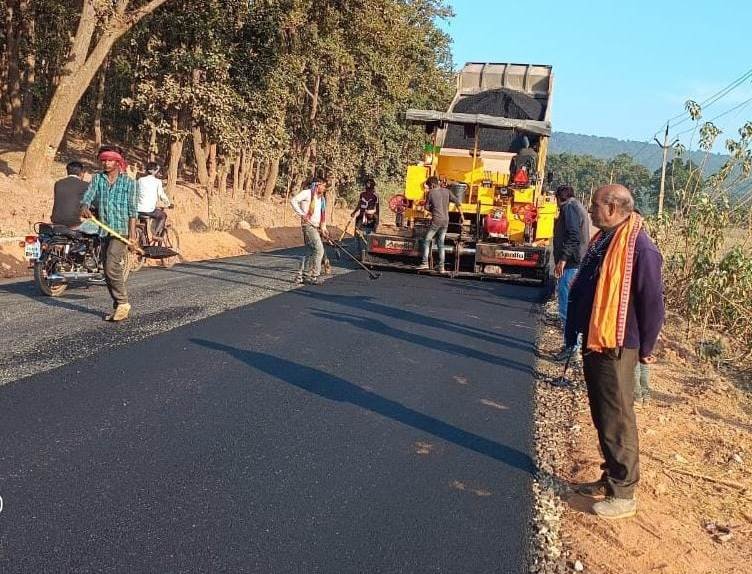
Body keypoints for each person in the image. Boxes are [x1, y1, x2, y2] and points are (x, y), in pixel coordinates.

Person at [566, 184, 664, 519]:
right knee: (603, 414)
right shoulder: (606, 239)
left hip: (618, 345)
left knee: (618, 417)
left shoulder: (641, 248)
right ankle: (610, 477)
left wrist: (646, 349)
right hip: (597, 340)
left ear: (612, 207)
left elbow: (653, 304)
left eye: (594, 205)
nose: (590, 211)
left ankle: (624, 494)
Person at [80, 145, 139, 322]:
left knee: (111, 264)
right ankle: (118, 306)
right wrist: (85, 207)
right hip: (104, 229)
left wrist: (132, 235)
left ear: (118, 162)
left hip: (120, 231)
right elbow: (88, 197)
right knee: (107, 270)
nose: (106, 163)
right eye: (104, 160)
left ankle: (123, 302)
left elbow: (132, 211)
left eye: (110, 160)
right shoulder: (97, 179)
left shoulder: (129, 183)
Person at [552, 185, 590, 361]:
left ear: (558, 198)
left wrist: (562, 259)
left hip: (572, 263)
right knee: (569, 305)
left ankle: (571, 347)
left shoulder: (568, 209)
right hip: (575, 262)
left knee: (567, 306)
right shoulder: (577, 206)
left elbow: (573, 236)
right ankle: (571, 344)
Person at [417, 176, 462, 273]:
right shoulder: (447, 191)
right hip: (445, 221)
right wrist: (462, 215)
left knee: (426, 240)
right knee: (441, 244)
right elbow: (458, 202)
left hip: (436, 221)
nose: (429, 188)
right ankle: (441, 267)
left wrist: (433, 210)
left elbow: (426, 207)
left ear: (432, 185)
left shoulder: (431, 193)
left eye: (429, 186)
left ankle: (425, 263)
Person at [290, 176, 330, 285]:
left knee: (310, 251)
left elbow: (322, 215)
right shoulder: (307, 193)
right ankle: (314, 276)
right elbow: (293, 201)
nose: (324, 188)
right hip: (308, 225)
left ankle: (302, 276)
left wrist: (324, 228)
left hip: (316, 226)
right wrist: (302, 214)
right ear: (317, 185)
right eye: (323, 186)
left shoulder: (321, 199)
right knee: (319, 249)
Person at [137, 162, 172, 236]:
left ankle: (142, 238)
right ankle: (156, 235)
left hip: (138, 209)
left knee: (142, 222)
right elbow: (161, 195)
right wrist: (168, 203)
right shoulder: (157, 182)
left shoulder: (140, 180)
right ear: (152, 171)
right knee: (163, 216)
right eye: (156, 170)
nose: (157, 172)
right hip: (149, 210)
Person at [51, 161, 89, 228]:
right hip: (74, 222)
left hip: (55, 220)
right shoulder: (85, 185)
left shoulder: (58, 183)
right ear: (81, 173)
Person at [351, 177, 379, 252]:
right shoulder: (362, 194)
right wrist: (354, 212)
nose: (367, 188)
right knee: (357, 234)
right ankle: (358, 252)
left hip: (370, 218)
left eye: (369, 186)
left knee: (367, 235)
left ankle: (366, 252)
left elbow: (377, 209)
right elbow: (359, 204)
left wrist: (376, 221)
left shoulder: (375, 196)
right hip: (360, 217)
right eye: (367, 185)